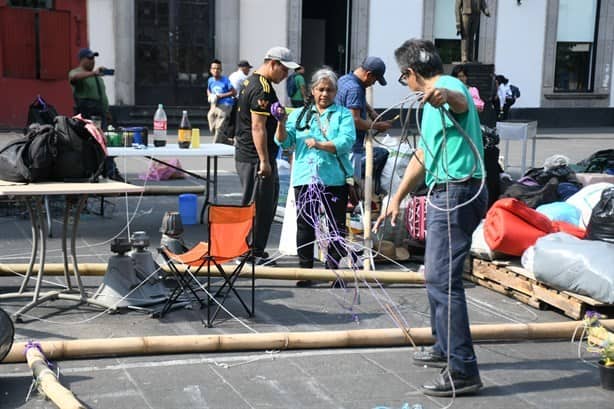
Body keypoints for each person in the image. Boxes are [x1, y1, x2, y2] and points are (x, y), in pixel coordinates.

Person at [374, 39, 487, 397]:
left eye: (402, 78)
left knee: (442, 279)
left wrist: (442, 96)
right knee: (437, 277)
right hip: (447, 189)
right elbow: (424, 153)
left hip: (457, 191)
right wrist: (398, 196)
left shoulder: (446, 87)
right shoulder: (429, 104)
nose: (404, 84)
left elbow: (457, 99)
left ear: (409, 73)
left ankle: (463, 369)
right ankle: (443, 346)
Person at [275, 68, 356, 286]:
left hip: (334, 178)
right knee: (305, 225)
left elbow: (346, 141)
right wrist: (281, 122)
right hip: (304, 177)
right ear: (312, 90)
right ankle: (306, 272)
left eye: (329, 90)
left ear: (335, 92)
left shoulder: (343, 114)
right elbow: (285, 143)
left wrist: (320, 144)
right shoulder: (299, 114)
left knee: (336, 226)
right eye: (320, 89)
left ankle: (332, 270)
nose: (324, 94)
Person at [235, 46, 299, 265]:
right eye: (284, 70)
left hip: (249, 154)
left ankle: (253, 251)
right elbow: (257, 127)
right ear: (273, 63)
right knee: (258, 206)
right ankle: (249, 253)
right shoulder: (262, 89)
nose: (286, 75)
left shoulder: (250, 82)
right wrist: (264, 160)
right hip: (255, 157)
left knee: (263, 203)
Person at [335, 56, 393, 182]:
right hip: (350, 145)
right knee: (350, 186)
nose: (373, 83)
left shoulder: (345, 79)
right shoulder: (355, 89)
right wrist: (378, 126)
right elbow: (355, 120)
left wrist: (371, 112)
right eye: (375, 80)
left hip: (339, 141)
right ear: (369, 74)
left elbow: (356, 100)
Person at [69, 47, 123, 181]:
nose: (93, 61)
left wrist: (107, 112)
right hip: (87, 117)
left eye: (94, 58)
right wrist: (93, 73)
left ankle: (109, 171)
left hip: (100, 115)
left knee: (106, 143)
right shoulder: (77, 73)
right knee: (91, 146)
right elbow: (74, 78)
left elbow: (101, 97)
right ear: (82, 60)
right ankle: (93, 172)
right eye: (90, 58)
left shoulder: (97, 77)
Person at [207, 59, 236, 145]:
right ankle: (228, 141)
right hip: (215, 104)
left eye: (218, 68)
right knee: (210, 118)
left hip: (225, 104)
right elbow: (208, 89)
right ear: (211, 70)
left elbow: (234, 92)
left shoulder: (225, 80)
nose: (216, 70)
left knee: (219, 127)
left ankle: (214, 147)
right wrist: (210, 95)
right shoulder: (210, 80)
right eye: (214, 68)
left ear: (221, 70)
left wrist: (221, 96)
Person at [228, 60, 253, 139]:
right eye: (248, 68)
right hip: (238, 100)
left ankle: (229, 136)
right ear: (244, 68)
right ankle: (236, 136)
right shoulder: (243, 77)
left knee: (231, 120)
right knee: (238, 119)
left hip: (229, 100)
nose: (249, 70)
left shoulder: (232, 75)